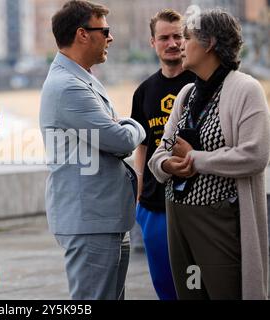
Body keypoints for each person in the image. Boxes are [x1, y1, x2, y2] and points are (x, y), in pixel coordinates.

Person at [148, 9, 270, 299]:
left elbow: (255, 155)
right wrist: (169, 165)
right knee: (190, 293)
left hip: (219, 220)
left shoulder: (246, 89)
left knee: (225, 291)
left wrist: (195, 159)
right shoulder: (186, 94)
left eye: (187, 38)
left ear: (209, 43)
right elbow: (158, 154)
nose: (179, 45)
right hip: (179, 217)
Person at [40, 0, 145, 300]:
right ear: (82, 34)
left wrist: (121, 126)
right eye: (105, 30)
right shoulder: (68, 87)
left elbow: (113, 135)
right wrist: (136, 126)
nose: (110, 37)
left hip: (104, 218)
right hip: (90, 221)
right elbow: (122, 141)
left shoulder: (79, 79)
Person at [130, 9, 195, 300]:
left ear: (187, 39)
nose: (172, 43)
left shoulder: (201, 85)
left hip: (196, 203)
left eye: (178, 36)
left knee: (196, 283)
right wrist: (139, 189)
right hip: (155, 205)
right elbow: (142, 143)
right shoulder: (144, 91)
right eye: (164, 37)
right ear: (152, 42)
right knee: (164, 283)